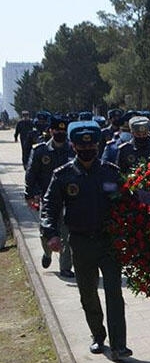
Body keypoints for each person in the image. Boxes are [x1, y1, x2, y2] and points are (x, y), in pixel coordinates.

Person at [41, 121, 131, 360]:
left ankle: (119, 344)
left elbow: (126, 202)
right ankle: (98, 337)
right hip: (80, 243)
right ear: (74, 146)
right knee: (88, 294)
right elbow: (49, 206)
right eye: (82, 147)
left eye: (91, 146)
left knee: (114, 293)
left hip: (108, 242)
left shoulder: (110, 172)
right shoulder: (63, 175)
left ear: (98, 146)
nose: (88, 150)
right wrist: (51, 233)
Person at [25, 114, 75, 278]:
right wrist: (30, 193)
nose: (60, 133)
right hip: (47, 199)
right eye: (57, 130)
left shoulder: (72, 150)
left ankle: (65, 267)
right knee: (45, 232)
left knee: (66, 233)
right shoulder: (41, 151)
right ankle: (47, 253)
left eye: (63, 131)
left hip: (69, 199)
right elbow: (31, 173)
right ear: (51, 131)